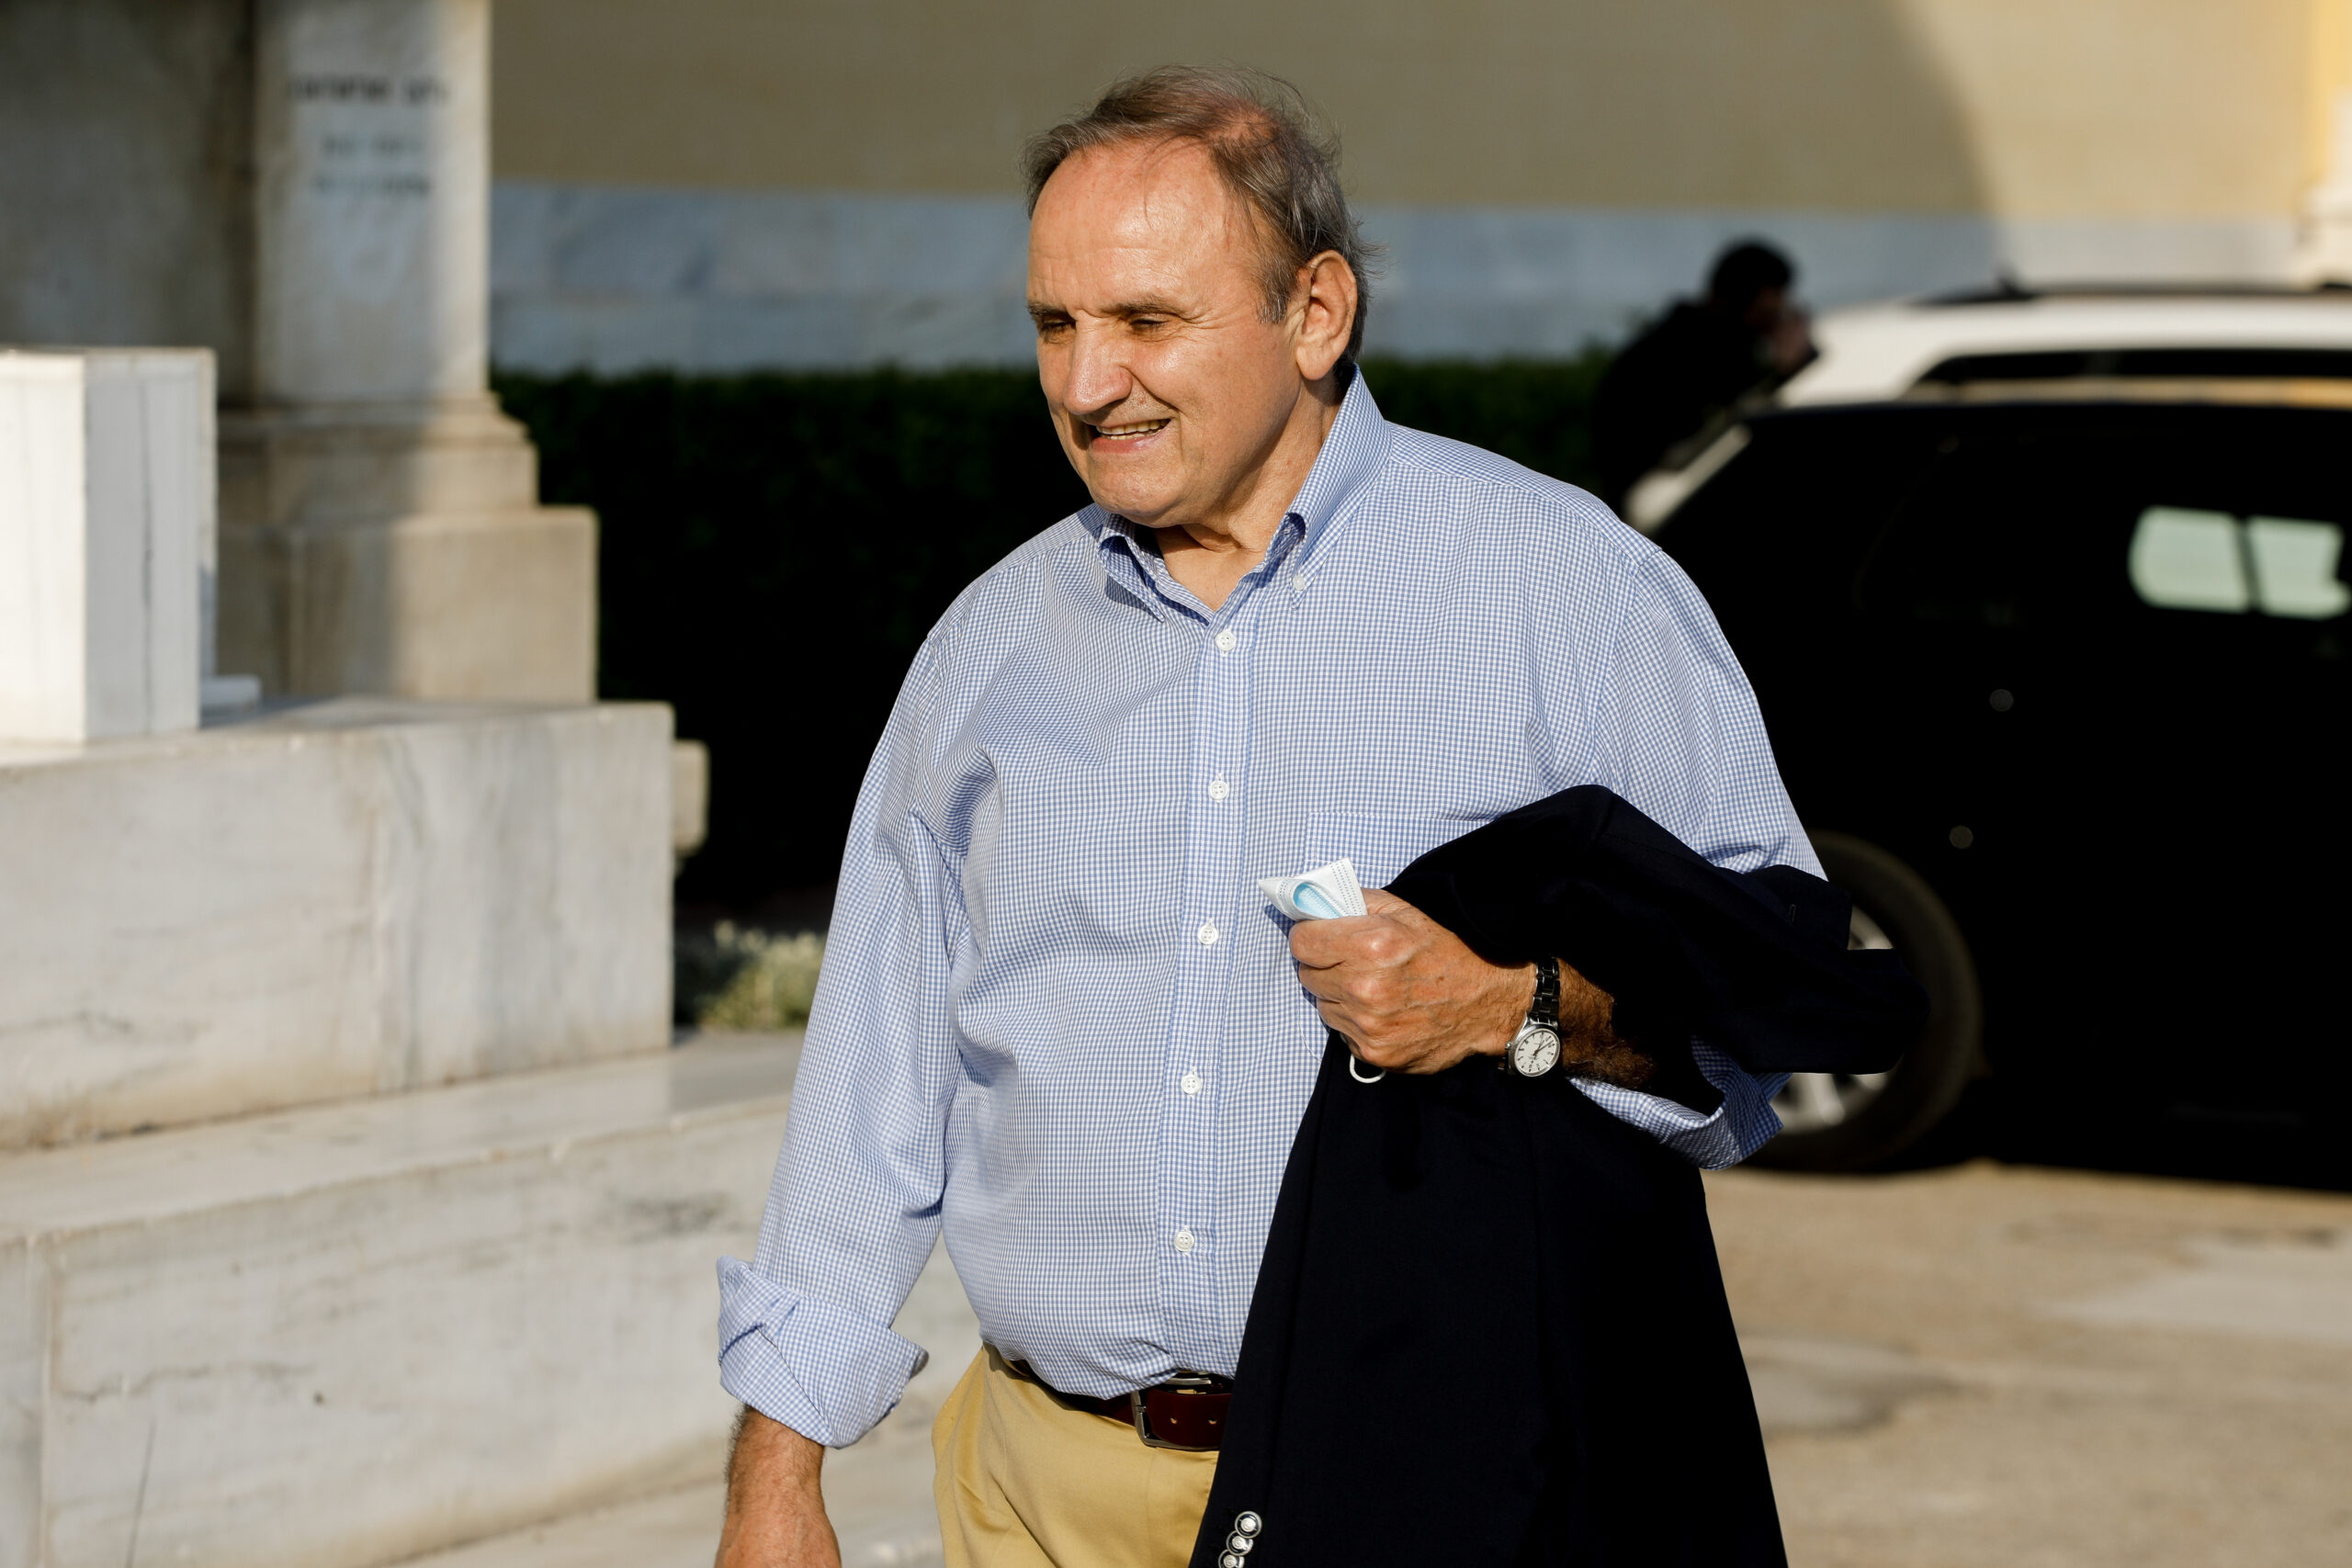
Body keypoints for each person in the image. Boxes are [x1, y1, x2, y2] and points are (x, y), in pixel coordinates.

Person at [715, 66, 1815, 1568]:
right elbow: (872, 1082)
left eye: (1145, 320)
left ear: (1315, 313)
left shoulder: (1568, 590)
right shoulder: (990, 644)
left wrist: (1515, 1007)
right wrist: (775, 1471)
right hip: (1039, 1488)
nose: (1085, 384)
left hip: (1419, 1482)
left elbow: (1771, 988)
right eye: (1054, 323)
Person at [1589, 240, 1815, 509]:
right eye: (1773, 299)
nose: (1779, 311)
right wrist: (1786, 371)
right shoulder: (1696, 354)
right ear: (1747, 298)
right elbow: (1735, 426)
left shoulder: (1683, 342)